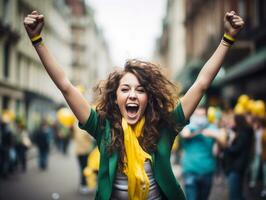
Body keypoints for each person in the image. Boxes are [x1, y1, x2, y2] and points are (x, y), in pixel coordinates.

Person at [23, 10, 244, 200]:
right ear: (115, 96)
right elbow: (66, 86)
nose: (132, 95)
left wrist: (228, 39)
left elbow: (202, 84)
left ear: (150, 97)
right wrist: (37, 40)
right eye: (125, 89)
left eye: (140, 90)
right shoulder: (103, 127)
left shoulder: (165, 126)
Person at [180, 106, 226, 200]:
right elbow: (185, 134)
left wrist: (213, 134)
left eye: (202, 115)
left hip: (207, 171)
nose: (200, 118)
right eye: (197, 115)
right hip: (190, 170)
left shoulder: (211, 128)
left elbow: (223, 143)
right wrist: (199, 130)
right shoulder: (188, 127)